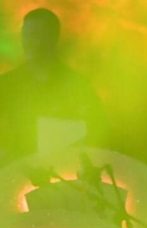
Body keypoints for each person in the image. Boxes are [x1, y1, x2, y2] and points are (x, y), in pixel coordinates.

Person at [0, 8, 107, 164]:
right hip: (17, 170)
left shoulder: (76, 85)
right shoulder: (7, 84)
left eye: (36, 35)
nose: (29, 41)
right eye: (26, 34)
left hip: (62, 169)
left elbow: (96, 129)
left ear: (53, 38)